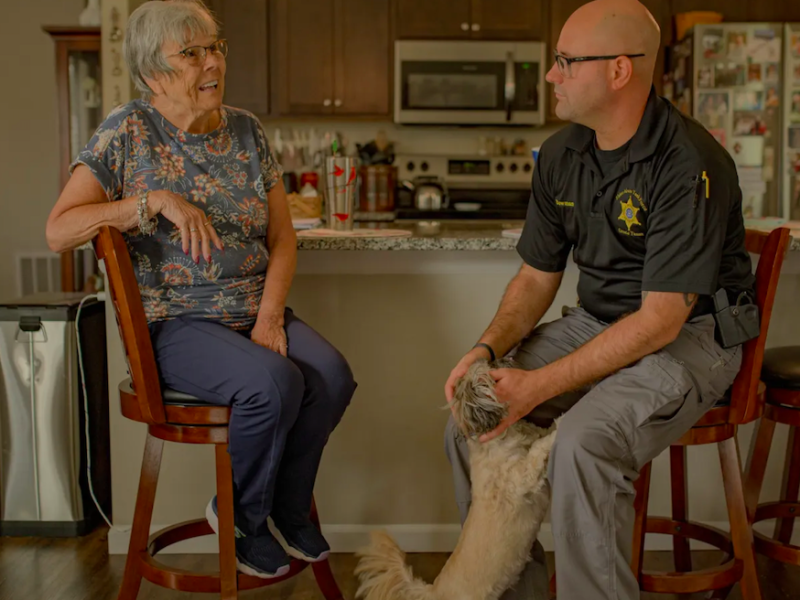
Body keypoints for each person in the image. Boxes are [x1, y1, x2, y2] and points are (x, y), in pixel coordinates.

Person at [443, 1, 755, 599]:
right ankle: (516, 592)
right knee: (471, 412)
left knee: (585, 446)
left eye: (565, 61)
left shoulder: (688, 161)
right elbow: (536, 278)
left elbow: (662, 320)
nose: (551, 75)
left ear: (619, 71)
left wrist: (538, 386)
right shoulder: (561, 155)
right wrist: (485, 352)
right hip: (599, 323)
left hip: (692, 339)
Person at [45, 0, 356, 579]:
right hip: (175, 326)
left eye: (215, 48)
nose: (212, 62)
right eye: (191, 53)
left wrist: (268, 318)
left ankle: (283, 507)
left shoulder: (246, 130)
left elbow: (283, 237)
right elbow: (58, 230)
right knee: (275, 382)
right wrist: (150, 202)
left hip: (251, 312)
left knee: (333, 376)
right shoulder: (128, 130)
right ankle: (241, 515)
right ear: (150, 74)